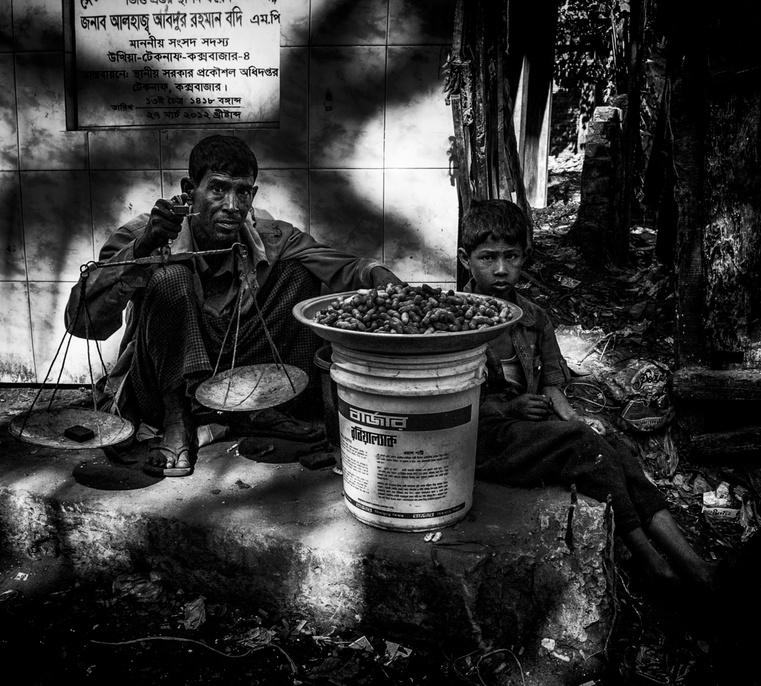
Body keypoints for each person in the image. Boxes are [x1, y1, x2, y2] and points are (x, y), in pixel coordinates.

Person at [66, 135, 401, 476]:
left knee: (299, 271)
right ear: (189, 188)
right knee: (171, 277)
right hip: (161, 384)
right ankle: (177, 421)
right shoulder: (147, 232)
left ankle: (269, 410)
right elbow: (81, 322)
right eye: (217, 189)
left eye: (242, 192)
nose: (231, 205)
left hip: (238, 380)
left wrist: (380, 275)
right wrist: (145, 247)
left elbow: (342, 266)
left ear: (252, 195)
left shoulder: (267, 236)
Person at [458, 198, 713, 593]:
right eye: (488, 258)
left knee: (609, 442)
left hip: (527, 432)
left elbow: (552, 384)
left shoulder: (534, 317)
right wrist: (510, 406)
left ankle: (691, 561)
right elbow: (450, 396)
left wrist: (575, 418)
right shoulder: (454, 318)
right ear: (465, 260)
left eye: (512, 256)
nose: (502, 269)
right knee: (581, 445)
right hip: (482, 438)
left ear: (525, 257)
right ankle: (649, 560)